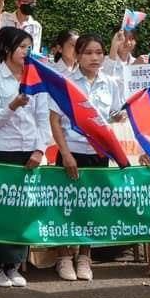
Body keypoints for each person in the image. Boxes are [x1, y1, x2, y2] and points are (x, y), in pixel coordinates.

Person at [0, 27, 50, 288]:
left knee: (24, 208)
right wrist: (13, 105)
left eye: (29, 47)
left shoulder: (36, 77)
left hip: (30, 149)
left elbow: (43, 119)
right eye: (22, 47)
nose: (26, 52)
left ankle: (14, 264)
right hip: (4, 148)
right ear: (7, 48)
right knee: (4, 208)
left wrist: (39, 150)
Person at [49, 34, 125, 282]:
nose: (95, 58)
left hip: (98, 154)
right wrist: (66, 154)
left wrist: (118, 116)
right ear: (78, 55)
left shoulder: (110, 83)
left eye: (99, 52)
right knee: (66, 205)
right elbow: (55, 120)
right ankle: (63, 256)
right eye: (89, 53)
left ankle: (84, 256)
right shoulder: (66, 83)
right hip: (72, 152)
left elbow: (112, 114)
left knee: (91, 206)